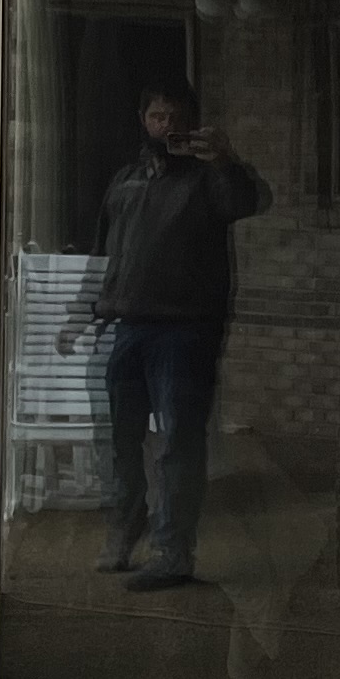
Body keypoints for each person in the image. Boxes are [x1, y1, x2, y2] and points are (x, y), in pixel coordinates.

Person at [74, 77, 265, 589]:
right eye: (159, 117)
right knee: (120, 440)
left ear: (194, 123)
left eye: (178, 118)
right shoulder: (127, 180)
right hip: (128, 326)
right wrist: (85, 310)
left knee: (178, 442)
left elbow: (248, 203)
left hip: (186, 331)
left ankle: (172, 552)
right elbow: (104, 251)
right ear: (145, 120)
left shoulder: (210, 179)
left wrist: (224, 160)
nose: (169, 127)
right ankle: (123, 531)